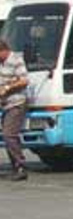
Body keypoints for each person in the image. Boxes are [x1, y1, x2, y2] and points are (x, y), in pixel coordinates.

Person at [0, 37, 30, 181]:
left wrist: (7, 87)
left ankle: (20, 166)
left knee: (9, 134)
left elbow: (24, 80)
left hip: (16, 102)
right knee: (8, 135)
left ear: (3, 50)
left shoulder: (16, 59)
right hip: (5, 104)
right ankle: (16, 166)